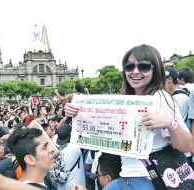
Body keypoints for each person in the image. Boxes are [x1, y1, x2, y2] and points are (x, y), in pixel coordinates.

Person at [64, 44, 193, 189]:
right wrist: (76, 112)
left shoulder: (160, 97)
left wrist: (171, 123)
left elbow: (188, 145)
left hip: (150, 178)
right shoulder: (126, 99)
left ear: (155, 69)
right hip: (128, 176)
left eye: (143, 66)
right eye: (129, 66)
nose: (135, 71)